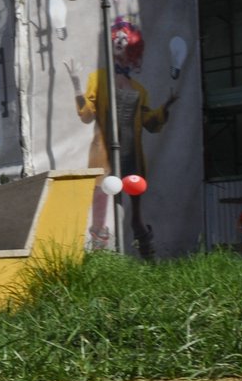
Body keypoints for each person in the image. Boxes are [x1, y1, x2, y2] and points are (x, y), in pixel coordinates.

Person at [65, 18, 178, 256]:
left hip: (131, 154)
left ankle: (146, 254)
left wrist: (165, 107)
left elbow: (150, 123)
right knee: (100, 205)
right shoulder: (98, 78)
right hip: (104, 152)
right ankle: (100, 258)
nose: (120, 41)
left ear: (132, 47)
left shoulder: (139, 89)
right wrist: (77, 87)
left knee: (136, 213)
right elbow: (87, 115)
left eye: (125, 39)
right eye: (117, 37)